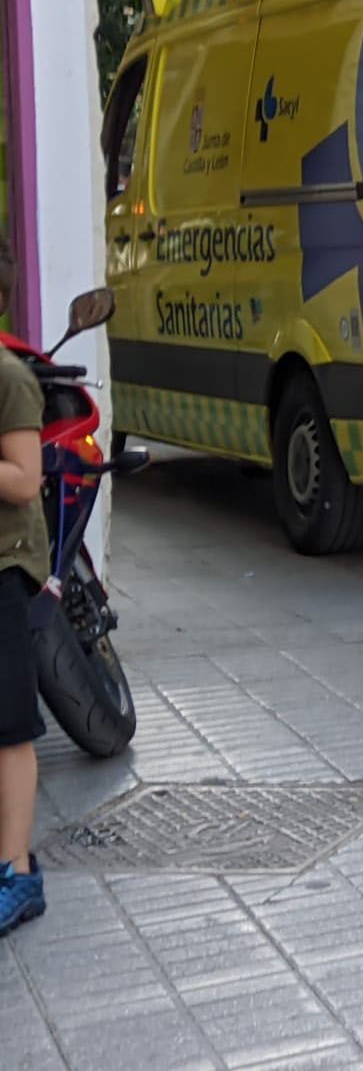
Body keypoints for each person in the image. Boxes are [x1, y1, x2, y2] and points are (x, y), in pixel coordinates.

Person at [0, 237, 50, 939]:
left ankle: (17, 871)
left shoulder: (9, 378)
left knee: (8, 726)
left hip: (6, 568)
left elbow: (24, 479)